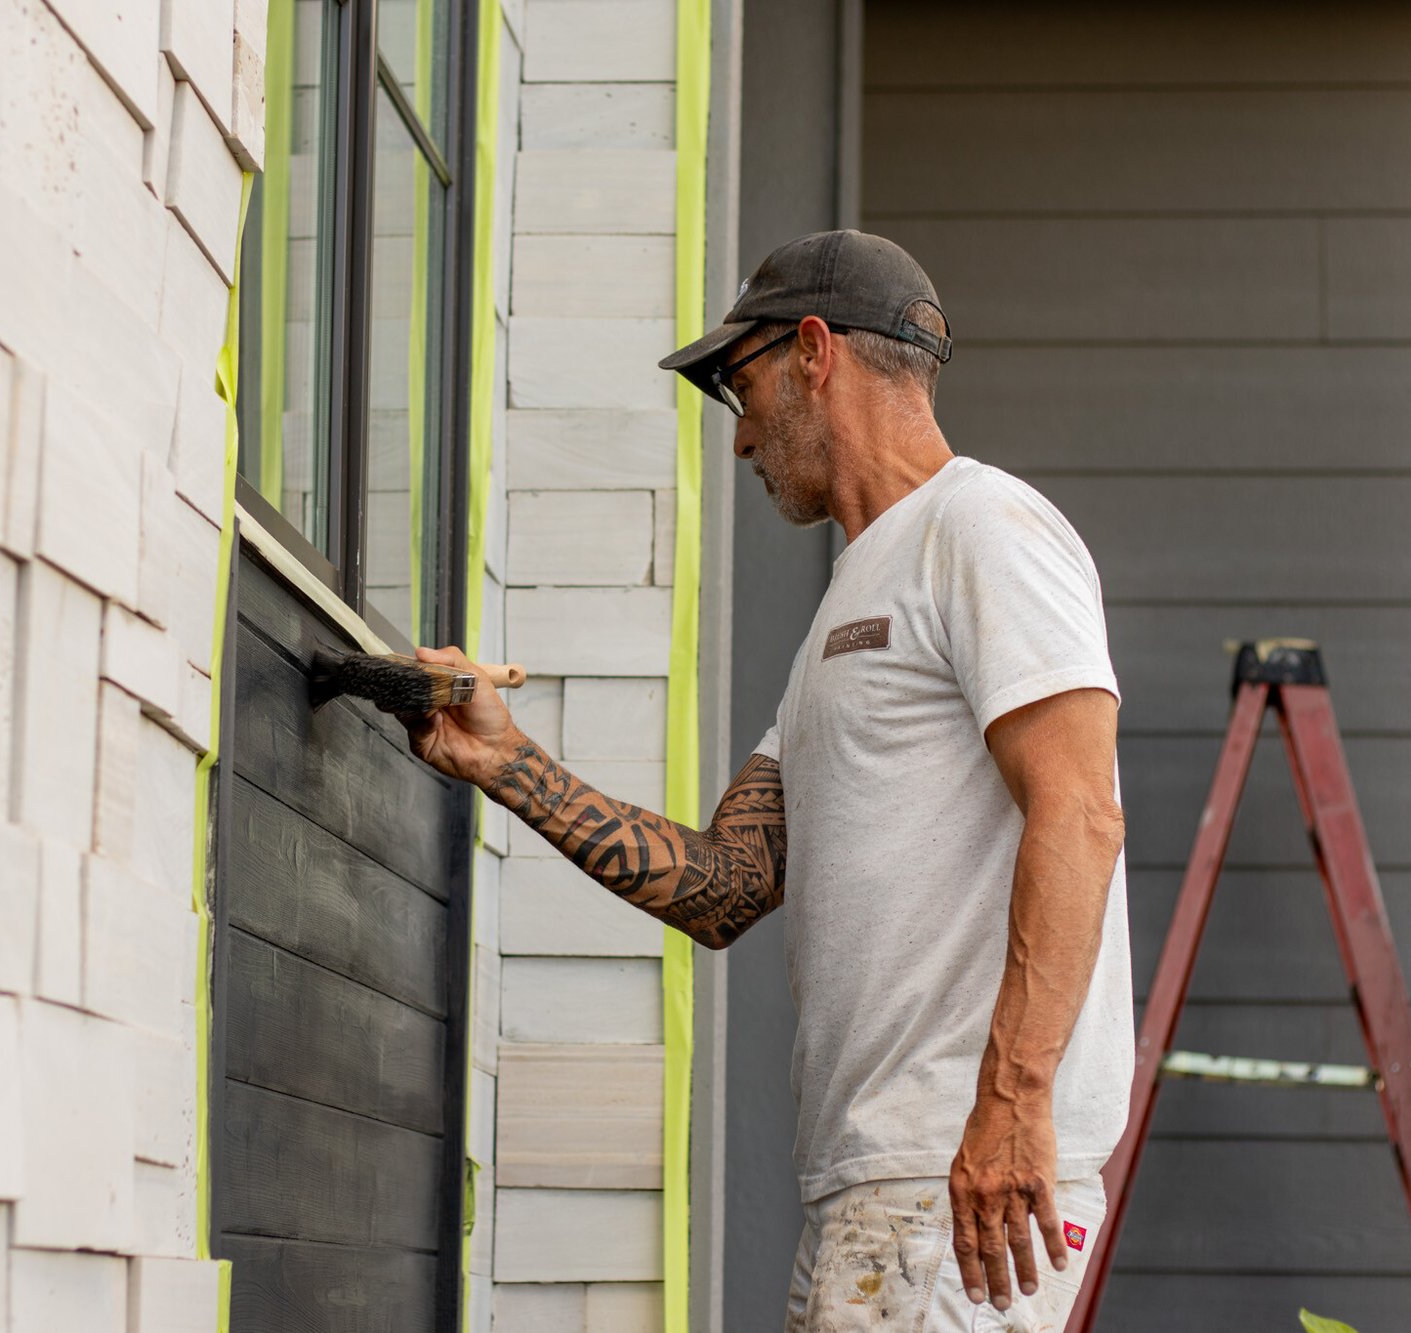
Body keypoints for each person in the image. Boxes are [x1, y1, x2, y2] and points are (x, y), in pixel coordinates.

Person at [406, 230, 1132, 1330]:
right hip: (875, 1183)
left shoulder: (982, 529)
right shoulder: (845, 609)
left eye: (737, 389)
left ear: (811, 351)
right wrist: (502, 760)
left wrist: (1010, 1106)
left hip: (954, 1178)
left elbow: (1079, 813)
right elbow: (724, 882)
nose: (739, 436)